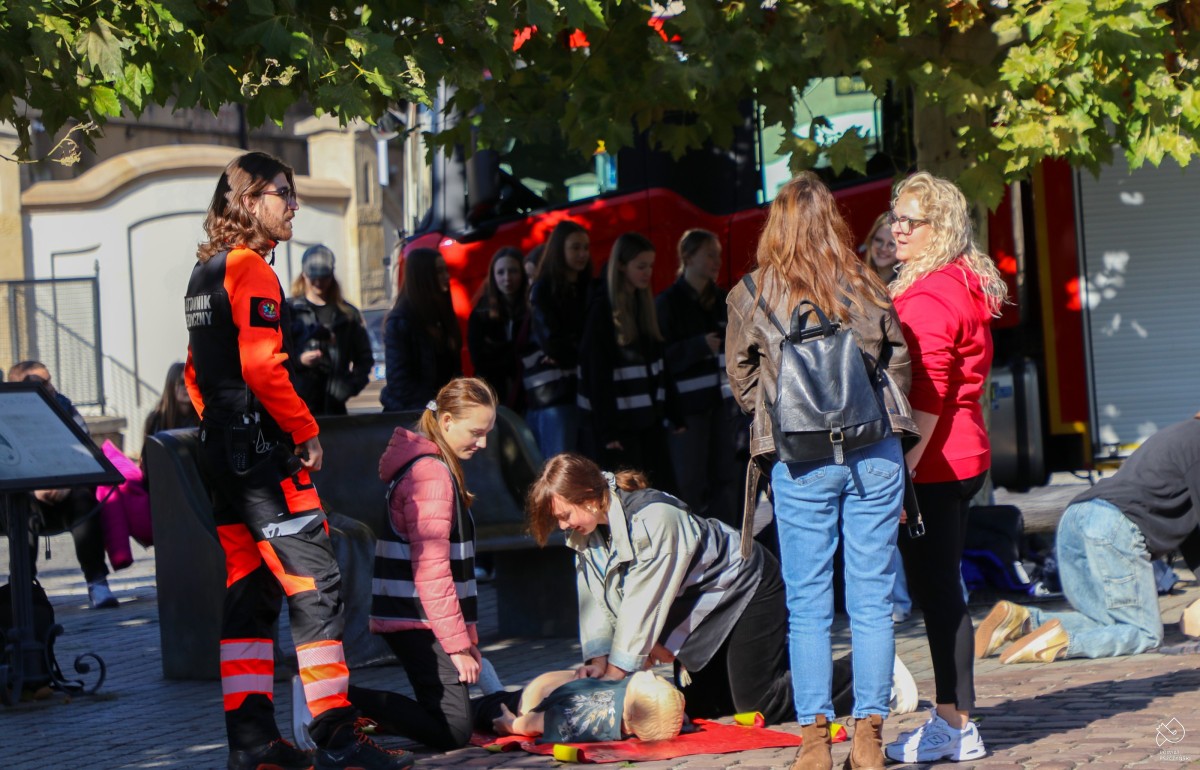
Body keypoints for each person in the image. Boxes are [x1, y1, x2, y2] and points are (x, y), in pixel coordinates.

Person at [183, 150, 413, 770]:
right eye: (282, 192)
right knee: (316, 587)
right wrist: (303, 429)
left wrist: (220, 427)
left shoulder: (205, 272)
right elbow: (262, 365)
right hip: (263, 456)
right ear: (249, 200)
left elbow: (194, 374)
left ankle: (254, 746)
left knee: (250, 594)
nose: (293, 203)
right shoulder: (252, 269)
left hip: (222, 455)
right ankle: (336, 734)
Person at [725, 172, 912, 770]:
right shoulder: (866, 282)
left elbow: (742, 380)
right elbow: (898, 360)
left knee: (807, 604)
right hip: (873, 453)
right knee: (872, 599)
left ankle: (812, 744)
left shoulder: (750, 294)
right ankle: (869, 737)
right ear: (835, 221)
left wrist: (781, 410)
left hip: (799, 460)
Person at [882, 171, 1007, 765]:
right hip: (961, 452)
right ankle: (957, 717)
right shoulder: (958, 279)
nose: (897, 228)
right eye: (896, 217)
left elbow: (928, 396)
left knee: (939, 596)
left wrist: (900, 471)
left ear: (941, 228)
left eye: (911, 220)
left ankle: (954, 723)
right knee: (944, 593)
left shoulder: (931, 295)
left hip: (934, 462)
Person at [526, 453, 796, 727]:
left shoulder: (654, 517)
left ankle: (831, 674)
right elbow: (593, 600)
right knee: (704, 707)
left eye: (564, 515)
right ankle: (770, 662)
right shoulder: (587, 533)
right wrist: (599, 661)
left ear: (588, 496)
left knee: (761, 703)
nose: (562, 525)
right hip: (704, 602)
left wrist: (612, 675)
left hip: (748, 584)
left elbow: (642, 603)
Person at [346, 377, 498, 750]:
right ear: (446, 422)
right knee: (452, 729)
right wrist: (458, 646)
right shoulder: (430, 474)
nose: (483, 443)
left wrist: (465, 640)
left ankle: (341, 704)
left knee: (450, 720)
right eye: (476, 432)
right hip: (416, 620)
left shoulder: (434, 468)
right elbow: (432, 570)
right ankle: (334, 700)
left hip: (422, 619)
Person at [976, 416, 1200, 664]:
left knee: (1103, 622)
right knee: (1143, 633)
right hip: (1113, 527)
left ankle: (1022, 620)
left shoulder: (1180, 434)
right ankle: (1061, 643)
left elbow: (1194, 532)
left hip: (1076, 517)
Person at [6, 361, 117, 609]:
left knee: (83, 503)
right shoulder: (7, 412)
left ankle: (97, 582)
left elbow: (84, 452)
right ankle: (21, 588)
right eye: (41, 382)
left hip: (67, 489)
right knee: (19, 509)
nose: (50, 387)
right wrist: (34, 486)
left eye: (49, 380)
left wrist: (66, 484)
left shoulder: (65, 407)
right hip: (24, 493)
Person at [578, 232, 676, 490]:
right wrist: (608, 430)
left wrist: (670, 413)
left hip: (647, 422)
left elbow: (659, 367)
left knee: (658, 489)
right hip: (621, 426)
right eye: (641, 266)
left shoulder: (643, 306)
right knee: (627, 492)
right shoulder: (602, 311)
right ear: (621, 265)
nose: (648, 273)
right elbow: (597, 374)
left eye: (650, 266)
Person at [655, 229, 739, 526]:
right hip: (687, 410)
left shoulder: (721, 300)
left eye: (718, 254)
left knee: (725, 476)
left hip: (721, 406)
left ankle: (727, 542)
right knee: (689, 480)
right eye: (709, 254)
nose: (717, 261)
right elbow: (660, 355)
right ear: (688, 257)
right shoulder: (668, 303)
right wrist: (697, 346)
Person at [524, 221, 592, 456]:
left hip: (585, 389)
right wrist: (579, 352)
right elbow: (553, 344)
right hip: (555, 394)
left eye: (586, 247)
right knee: (561, 469)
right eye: (575, 247)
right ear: (559, 249)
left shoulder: (589, 289)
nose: (582, 254)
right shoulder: (543, 289)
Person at [478, 669, 685, 744]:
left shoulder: (589, 719)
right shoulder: (634, 706)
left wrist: (512, 725)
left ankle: (493, 691)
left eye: (651, 681)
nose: (650, 674)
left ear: (631, 712)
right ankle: (495, 690)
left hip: (520, 707)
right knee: (498, 697)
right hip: (561, 685)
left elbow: (540, 722)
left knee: (475, 711)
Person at [287, 245, 374, 416]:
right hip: (299, 408)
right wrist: (299, 361)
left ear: (332, 275)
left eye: (324, 277)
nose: (319, 283)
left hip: (335, 408)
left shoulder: (348, 315)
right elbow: (277, 356)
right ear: (304, 274)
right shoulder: (290, 311)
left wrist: (347, 388)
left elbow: (364, 360)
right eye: (314, 278)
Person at [380, 248, 462, 412]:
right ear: (423, 277)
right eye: (439, 271)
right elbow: (400, 383)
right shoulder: (401, 321)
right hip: (412, 417)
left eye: (445, 270)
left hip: (440, 413)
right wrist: (433, 408)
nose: (447, 277)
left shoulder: (441, 315)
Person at [468, 247, 530, 410]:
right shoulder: (481, 313)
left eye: (513, 271)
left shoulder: (532, 309)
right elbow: (479, 360)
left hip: (528, 392)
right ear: (493, 276)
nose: (507, 278)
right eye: (501, 272)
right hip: (493, 395)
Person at [143, 362, 199, 439]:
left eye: (192, 382)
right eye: (182, 383)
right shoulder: (156, 419)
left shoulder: (203, 416)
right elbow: (150, 449)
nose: (188, 387)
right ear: (171, 386)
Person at [860, 213, 899, 284]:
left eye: (891, 244)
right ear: (870, 241)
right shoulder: (856, 277)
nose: (883, 248)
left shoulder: (907, 285)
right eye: (879, 240)